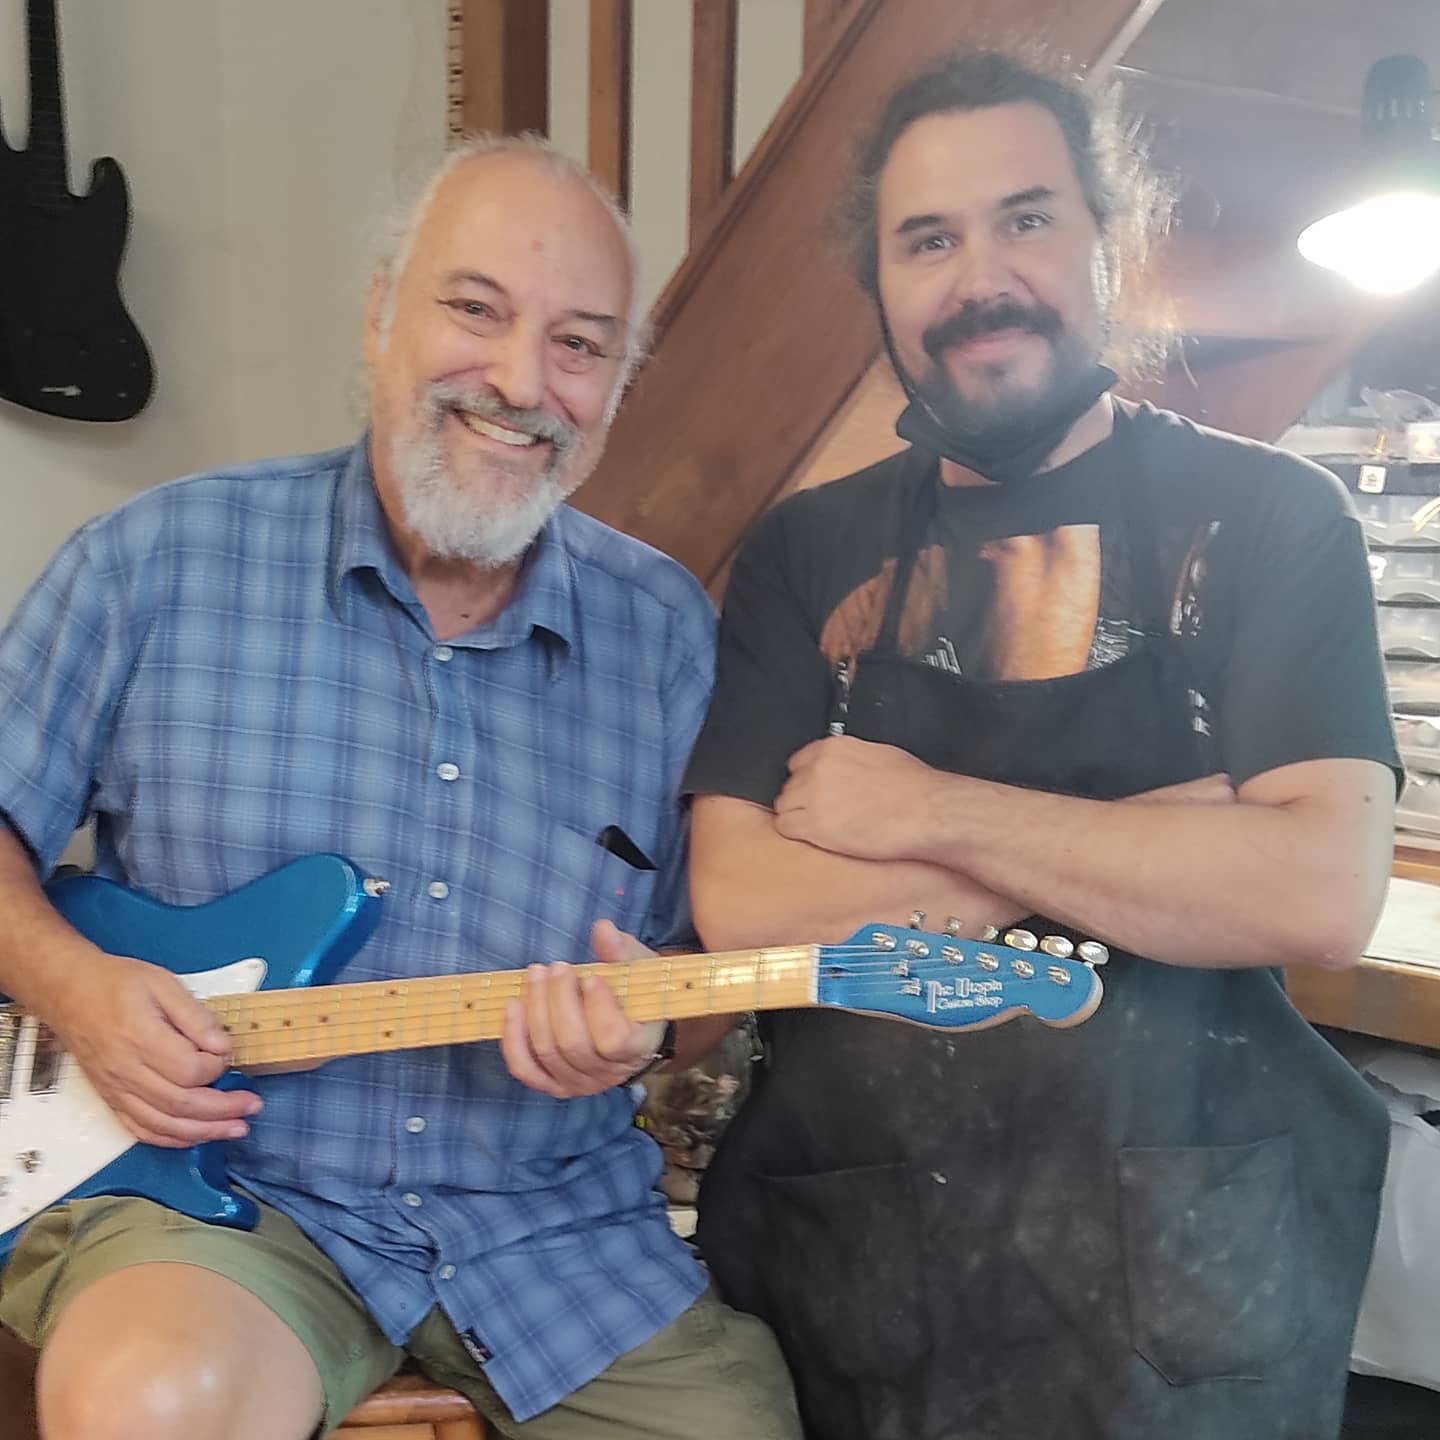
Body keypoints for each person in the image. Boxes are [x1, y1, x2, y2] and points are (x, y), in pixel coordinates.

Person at [0, 135, 800, 1440]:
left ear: (615, 387)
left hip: (554, 1232)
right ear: (380, 316)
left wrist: (648, 1035)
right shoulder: (156, 560)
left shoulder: (666, 634)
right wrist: (78, 989)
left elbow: (696, 984)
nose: (522, 382)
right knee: (147, 1403)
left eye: (580, 345)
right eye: (475, 310)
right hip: (222, 1207)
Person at [680, 50, 1399, 1440]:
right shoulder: (804, 552)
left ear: (1104, 240)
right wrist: (1164, 844)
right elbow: (746, 906)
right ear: (878, 282)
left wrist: (927, 812)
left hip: (1188, 1282)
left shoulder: (1270, 520)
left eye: (1025, 219)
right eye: (927, 240)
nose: (981, 278)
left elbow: (1317, 892)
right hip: (879, 1269)